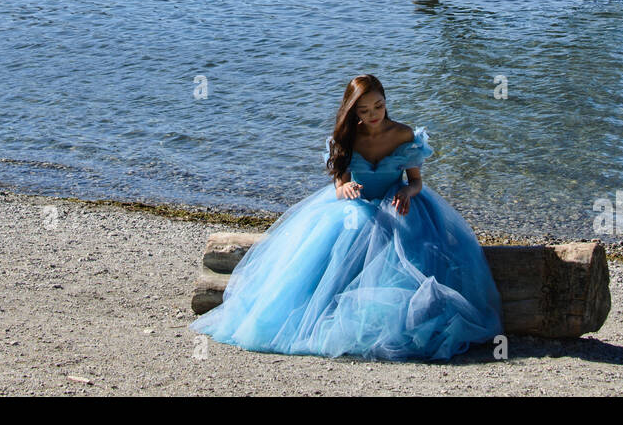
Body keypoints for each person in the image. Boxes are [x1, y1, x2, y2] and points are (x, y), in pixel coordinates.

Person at [192, 74, 503, 360]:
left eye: (378, 106)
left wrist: (408, 193)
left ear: (386, 101)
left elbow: (416, 182)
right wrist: (348, 188)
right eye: (365, 110)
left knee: (417, 256)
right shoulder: (344, 139)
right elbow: (339, 188)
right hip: (355, 207)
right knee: (351, 236)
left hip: (397, 205)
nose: (374, 114)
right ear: (354, 111)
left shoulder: (405, 134)